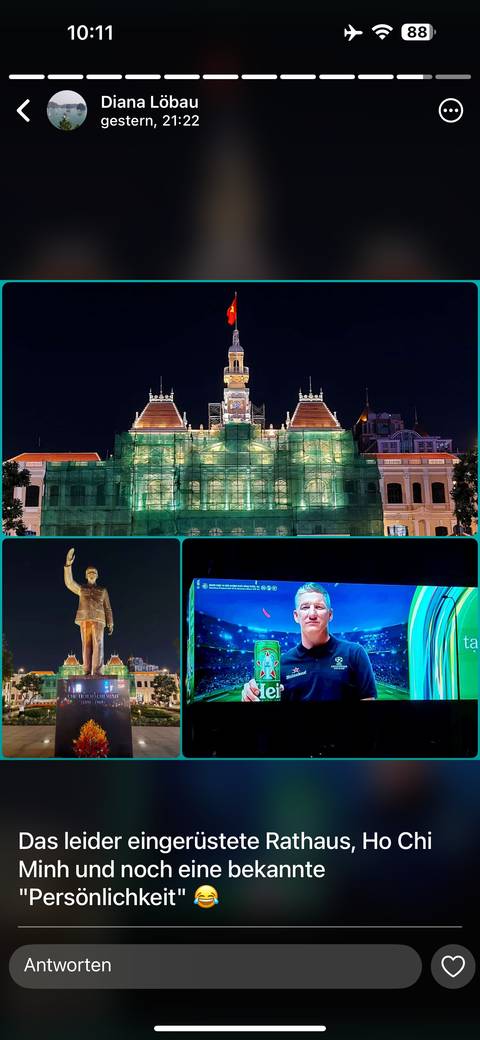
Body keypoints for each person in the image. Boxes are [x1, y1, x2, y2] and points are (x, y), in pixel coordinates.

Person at [242, 583, 377, 702]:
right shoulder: (281, 664)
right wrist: (251, 695)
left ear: (330, 614)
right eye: (305, 607)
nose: (312, 614)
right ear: (296, 616)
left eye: (319, 607)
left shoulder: (355, 653)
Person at [64, 548, 113, 676]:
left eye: (94, 572)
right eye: (89, 572)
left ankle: (97, 671)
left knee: (99, 644)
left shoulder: (102, 590)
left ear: (97, 575)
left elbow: (108, 607)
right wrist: (68, 565)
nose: (92, 574)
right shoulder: (81, 589)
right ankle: (86, 670)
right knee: (86, 645)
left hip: (99, 620)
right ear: (86, 576)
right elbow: (69, 583)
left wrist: (111, 622)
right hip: (85, 619)